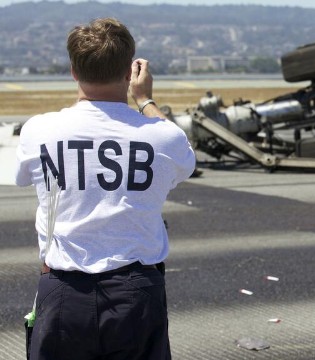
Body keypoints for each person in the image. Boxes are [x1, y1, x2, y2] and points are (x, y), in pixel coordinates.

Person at [15, 18, 195, 360]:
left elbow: (25, 176)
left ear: (73, 71)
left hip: (62, 291)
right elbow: (183, 155)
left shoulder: (38, 130)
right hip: (136, 292)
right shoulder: (161, 135)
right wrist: (145, 101)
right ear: (129, 73)